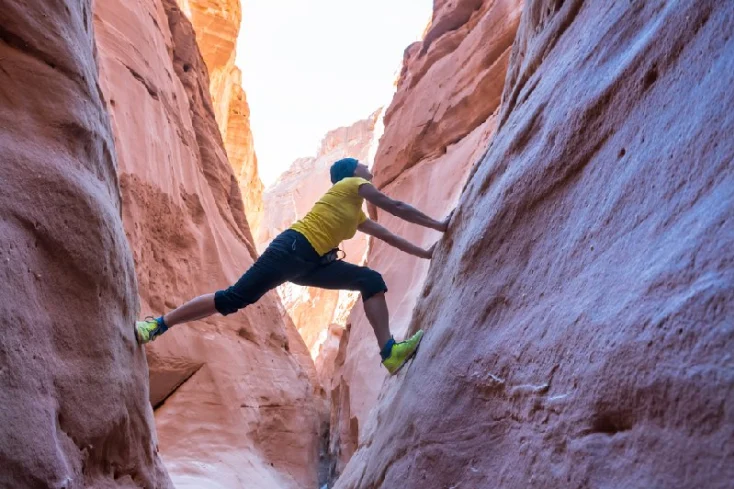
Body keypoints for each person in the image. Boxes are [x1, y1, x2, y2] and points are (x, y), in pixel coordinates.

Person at [135, 157, 450, 375]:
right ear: (352, 171)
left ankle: (391, 353)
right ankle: (158, 325)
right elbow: (395, 207)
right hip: (292, 248)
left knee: (370, 280)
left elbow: (388, 235)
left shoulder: (356, 214)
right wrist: (440, 225)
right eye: (362, 163)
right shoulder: (351, 184)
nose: (368, 166)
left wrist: (426, 254)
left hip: (309, 265)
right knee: (233, 299)